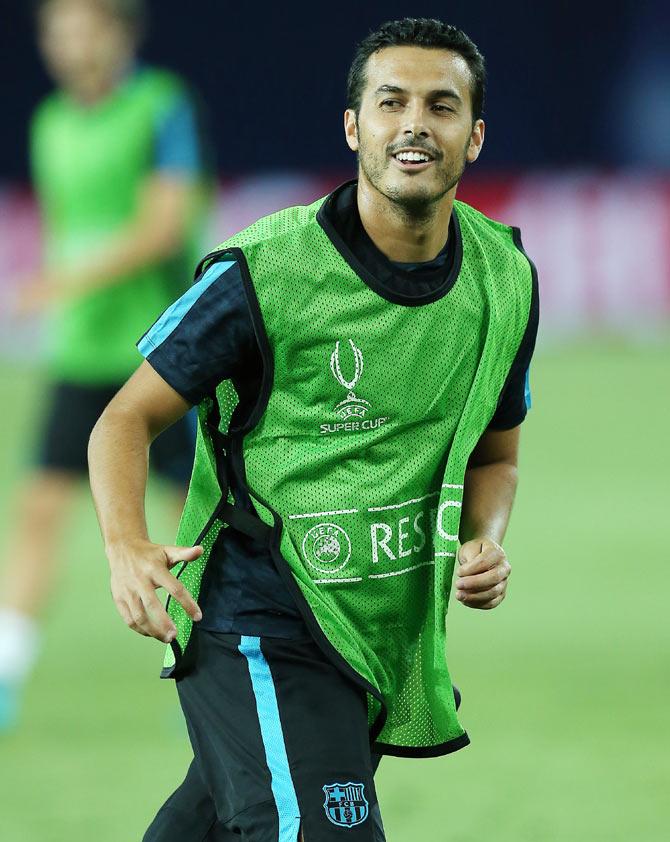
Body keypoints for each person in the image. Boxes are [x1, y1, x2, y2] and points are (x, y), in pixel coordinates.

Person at [88, 18, 539, 842]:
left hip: (370, 638)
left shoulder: (504, 278)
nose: (414, 123)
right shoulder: (265, 271)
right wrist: (126, 541)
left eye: (441, 107)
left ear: (473, 138)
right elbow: (124, 419)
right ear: (353, 127)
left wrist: (486, 539)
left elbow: (497, 452)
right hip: (255, 618)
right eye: (390, 102)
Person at [0, 0, 210, 730]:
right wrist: (64, 298)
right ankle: (6, 674)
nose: (69, 44)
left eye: (85, 27)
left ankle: (233, 652)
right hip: (78, 353)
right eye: (56, 31)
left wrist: (62, 282)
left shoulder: (160, 107)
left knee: (209, 514)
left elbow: (163, 228)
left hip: (159, 354)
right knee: (39, 509)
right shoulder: (50, 124)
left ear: (120, 32)